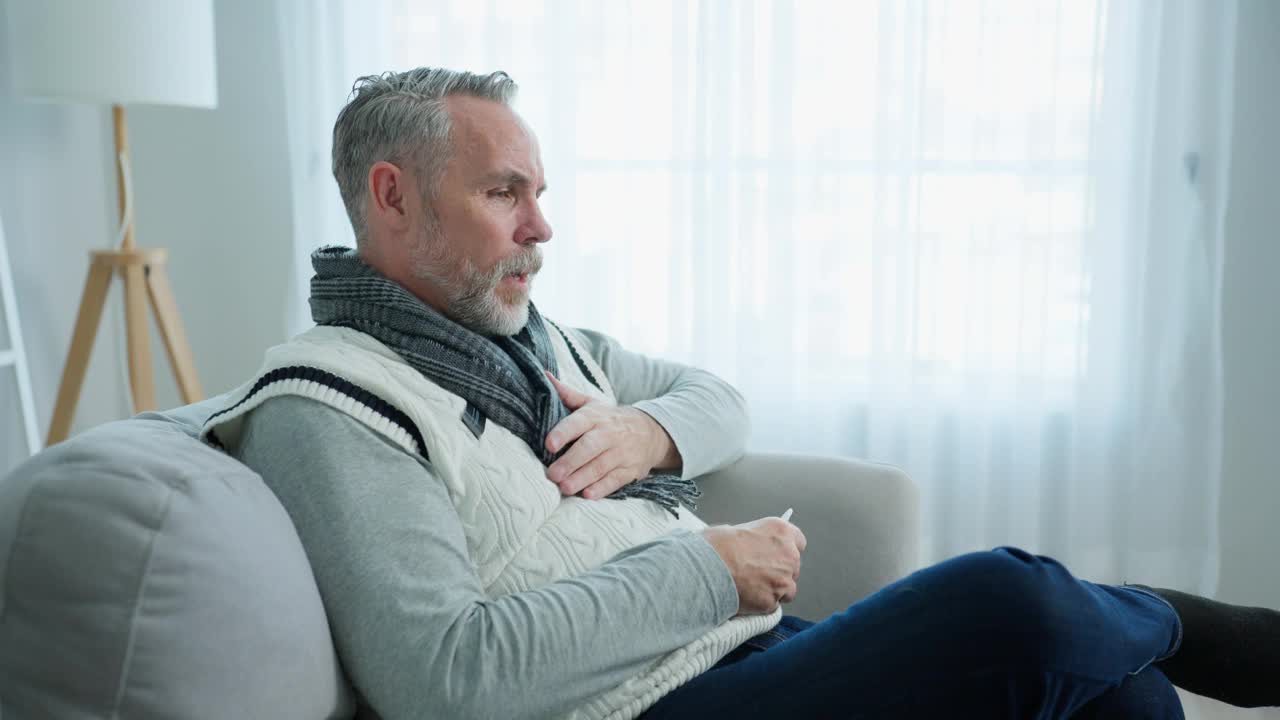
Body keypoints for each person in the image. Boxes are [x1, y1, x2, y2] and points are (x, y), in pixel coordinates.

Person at [204, 68, 1279, 719]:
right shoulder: (333, 405)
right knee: (1012, 603)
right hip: (645, 707)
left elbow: (714, 393)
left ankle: (1153, 643)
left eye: (539, 194)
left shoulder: (530, 338)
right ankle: (1177, 621)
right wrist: (707, 569)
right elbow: (450, 683)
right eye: (503, 193)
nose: (541, 226)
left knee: (1116, 695)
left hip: (734, 657)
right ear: (392, 199)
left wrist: (650, 430)